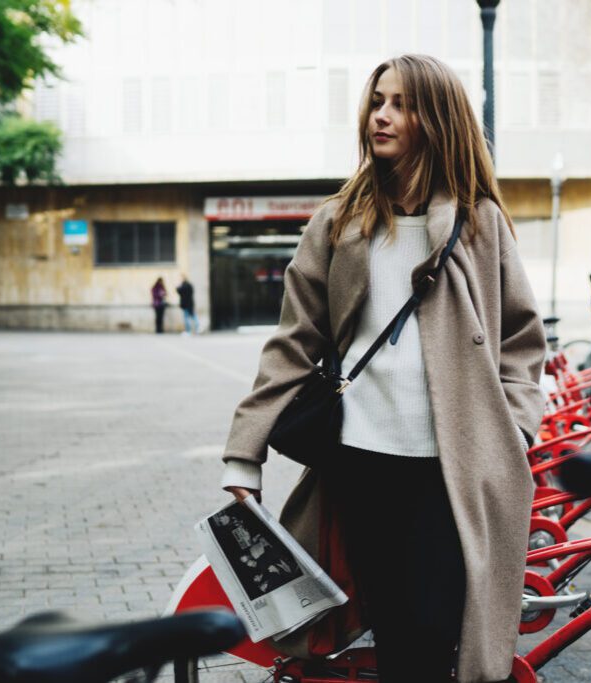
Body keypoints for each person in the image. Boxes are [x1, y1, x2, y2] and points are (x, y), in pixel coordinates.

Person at [219, 55, 545, 683]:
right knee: (399, 634)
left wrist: (517, 430)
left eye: (401, 103)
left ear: (437, 117)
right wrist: (243, 455)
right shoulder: (340, 222)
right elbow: (293, 344)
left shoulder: (479, 224)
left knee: (439, 630)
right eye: (377, 102)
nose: (382, 116)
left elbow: (522, 342)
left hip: (455, 467)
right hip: (361, 464)